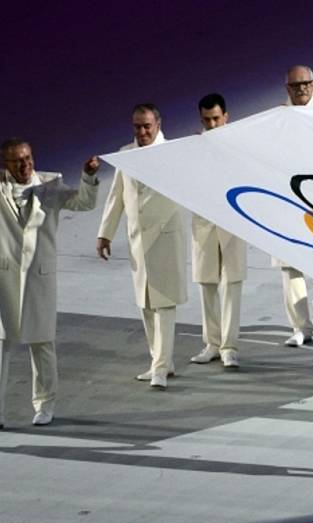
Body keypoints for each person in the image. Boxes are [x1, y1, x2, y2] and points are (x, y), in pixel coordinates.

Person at [0, 115, 99, 430]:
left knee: (42, 345)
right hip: (2, 279)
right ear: (5, 163)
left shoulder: (51, 186)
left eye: (28, 158)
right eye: (17, 161)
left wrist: (88, 177)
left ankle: (45, 406)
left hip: (38, 279)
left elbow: (85, 203)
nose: (24, 165)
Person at [97, 104, 187, 390]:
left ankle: (160, 367)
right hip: (138, 239)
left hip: (165, 237)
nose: (143, 131)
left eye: (147, 126)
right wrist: (105, 234)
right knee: (146, 304)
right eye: (138, 126)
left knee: (165, 303)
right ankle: (160, 362)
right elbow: (117, 196)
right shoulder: (126, 154)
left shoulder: (175, 153)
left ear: (158, 124)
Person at [273, 65, 313, 346]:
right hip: (288, 200)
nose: (301, 89)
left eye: (306, 83)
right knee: (289, 265)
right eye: (295, 85)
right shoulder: (277, 118)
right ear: (287, 88)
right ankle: (300, 326)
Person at [190, 93, 247, 368]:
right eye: (206, 120)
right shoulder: (195, 146)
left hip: (232, 224)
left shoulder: (239, 146)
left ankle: (229, 346)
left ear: (226, 116)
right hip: (204, 224)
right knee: (207, 284)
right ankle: (211, 343)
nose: (212, 125)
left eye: (215, 119)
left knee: (232, 284)